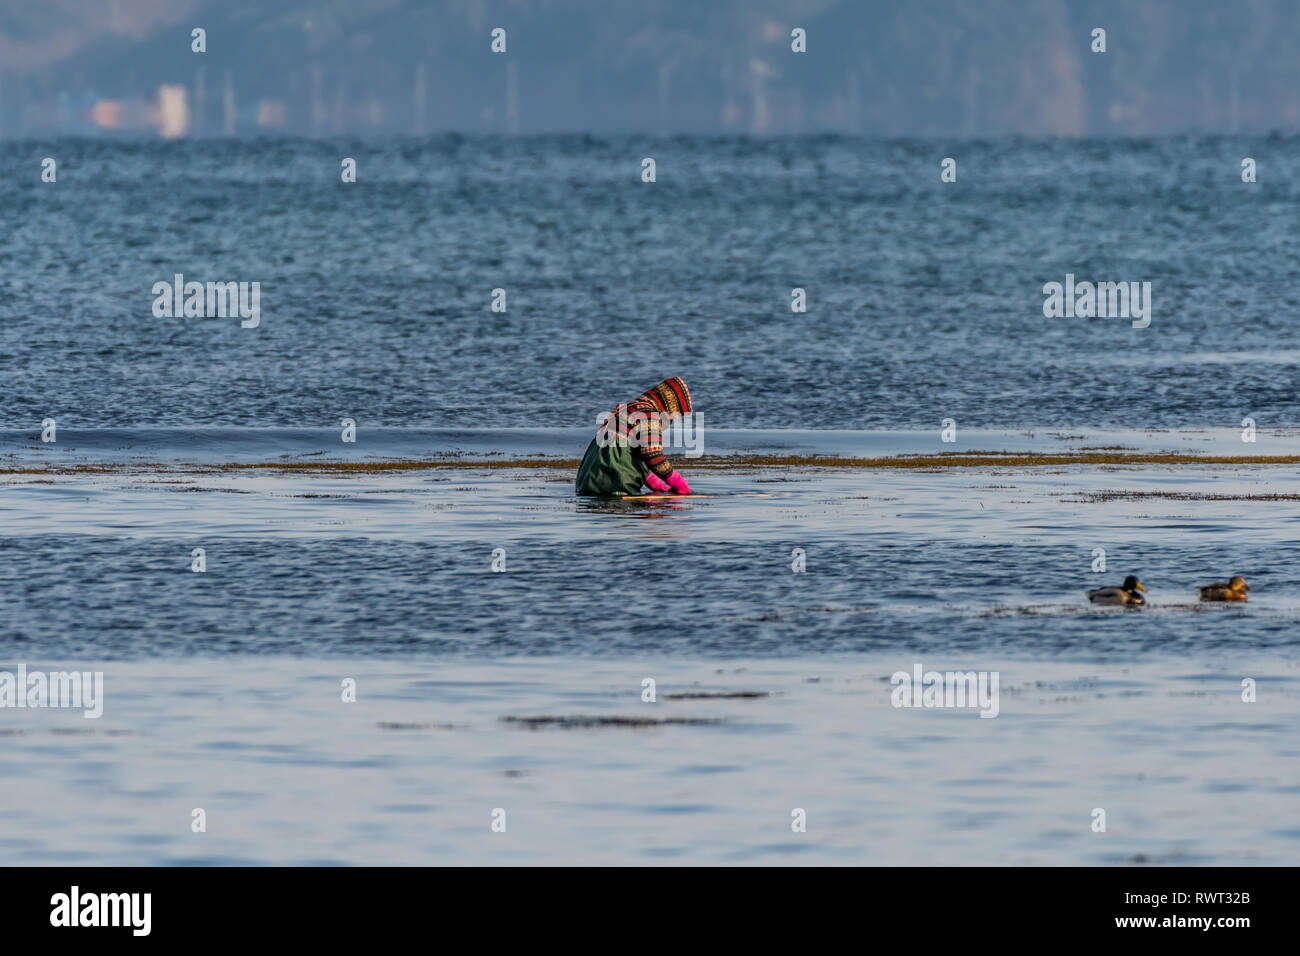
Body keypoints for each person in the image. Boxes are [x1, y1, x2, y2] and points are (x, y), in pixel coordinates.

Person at [575, 376, 693, 496]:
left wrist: (657, 485)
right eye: (675, 416)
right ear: (669, 407)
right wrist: (678, 483)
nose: (672, 421)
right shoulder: (650, 416)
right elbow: (654, 457)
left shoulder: (627, 411)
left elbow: (634, 455)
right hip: (614, 482)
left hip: (587, 481)